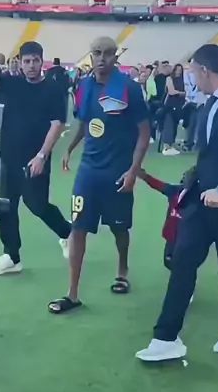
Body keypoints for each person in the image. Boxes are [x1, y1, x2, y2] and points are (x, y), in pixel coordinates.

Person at [136, 44, 218, 362]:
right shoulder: (209, 105)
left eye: (193, 71)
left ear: (204, 71)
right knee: (182, 258)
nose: (192, 78)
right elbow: (211, 155)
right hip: (201, 199)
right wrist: (194, 179)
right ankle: (166, 337)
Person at [49, 37, 150, 313]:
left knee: (119, 228)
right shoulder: (83, 86)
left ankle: (122, 270)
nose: (102, 58)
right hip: (88, 173)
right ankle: (72, 294)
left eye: (107, 53)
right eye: (97, 53)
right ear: (90, 55)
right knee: (78, 228)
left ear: (116, 57)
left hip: (118, 173)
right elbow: (85, 122)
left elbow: (144, 133)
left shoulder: (129, 88)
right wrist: (70, 148)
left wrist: (133, 171)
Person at [0, 41, 72, 275]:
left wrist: (42, 155)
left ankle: (67, 233)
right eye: (27, 61)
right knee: (6, 207)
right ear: (20, 63)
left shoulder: (52, 89)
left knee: (37, 205)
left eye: (35, 61)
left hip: (35, 159)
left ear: (42, 62)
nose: (31, 65)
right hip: (9, 157)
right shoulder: (12, 83)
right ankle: (12, 256)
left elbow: (57, 124)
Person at [138, 167, 197, 270]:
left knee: (185, 264)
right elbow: (158, 185)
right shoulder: (174, 191)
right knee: (169, 263)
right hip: (172, 237)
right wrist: (145, 177)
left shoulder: (199, 198)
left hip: (188, 238)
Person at [161, 63, 186, 155]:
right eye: (177, 69)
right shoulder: (169, 78)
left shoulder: (182, 80)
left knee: (175, 124)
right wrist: (182, 93)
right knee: (169, 123)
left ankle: (171, 144)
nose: (178, 72)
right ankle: (167, 146)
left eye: (180, 70)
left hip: (179, 105)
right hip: (170, 104)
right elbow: (171, 91)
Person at [182, 65, 206, 151]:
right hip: (191, 103)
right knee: (191, 124)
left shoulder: (202, 75)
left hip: (201, 102)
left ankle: (198, 144)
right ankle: (189, 143)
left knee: (200, 124)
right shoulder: (187, 74)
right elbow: (188, 88)